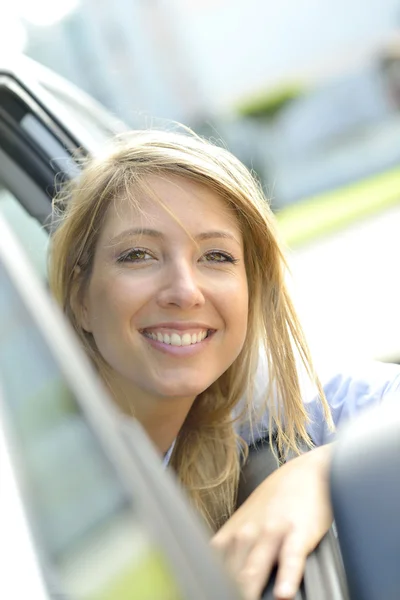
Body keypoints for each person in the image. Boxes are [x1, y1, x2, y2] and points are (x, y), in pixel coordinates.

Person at [48, 129, 400, 600]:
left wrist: (319, 472)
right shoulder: (35, 466)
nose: (185, 291)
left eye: (216, 256)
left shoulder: (246, 393)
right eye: (138, 255)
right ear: (80, 295)